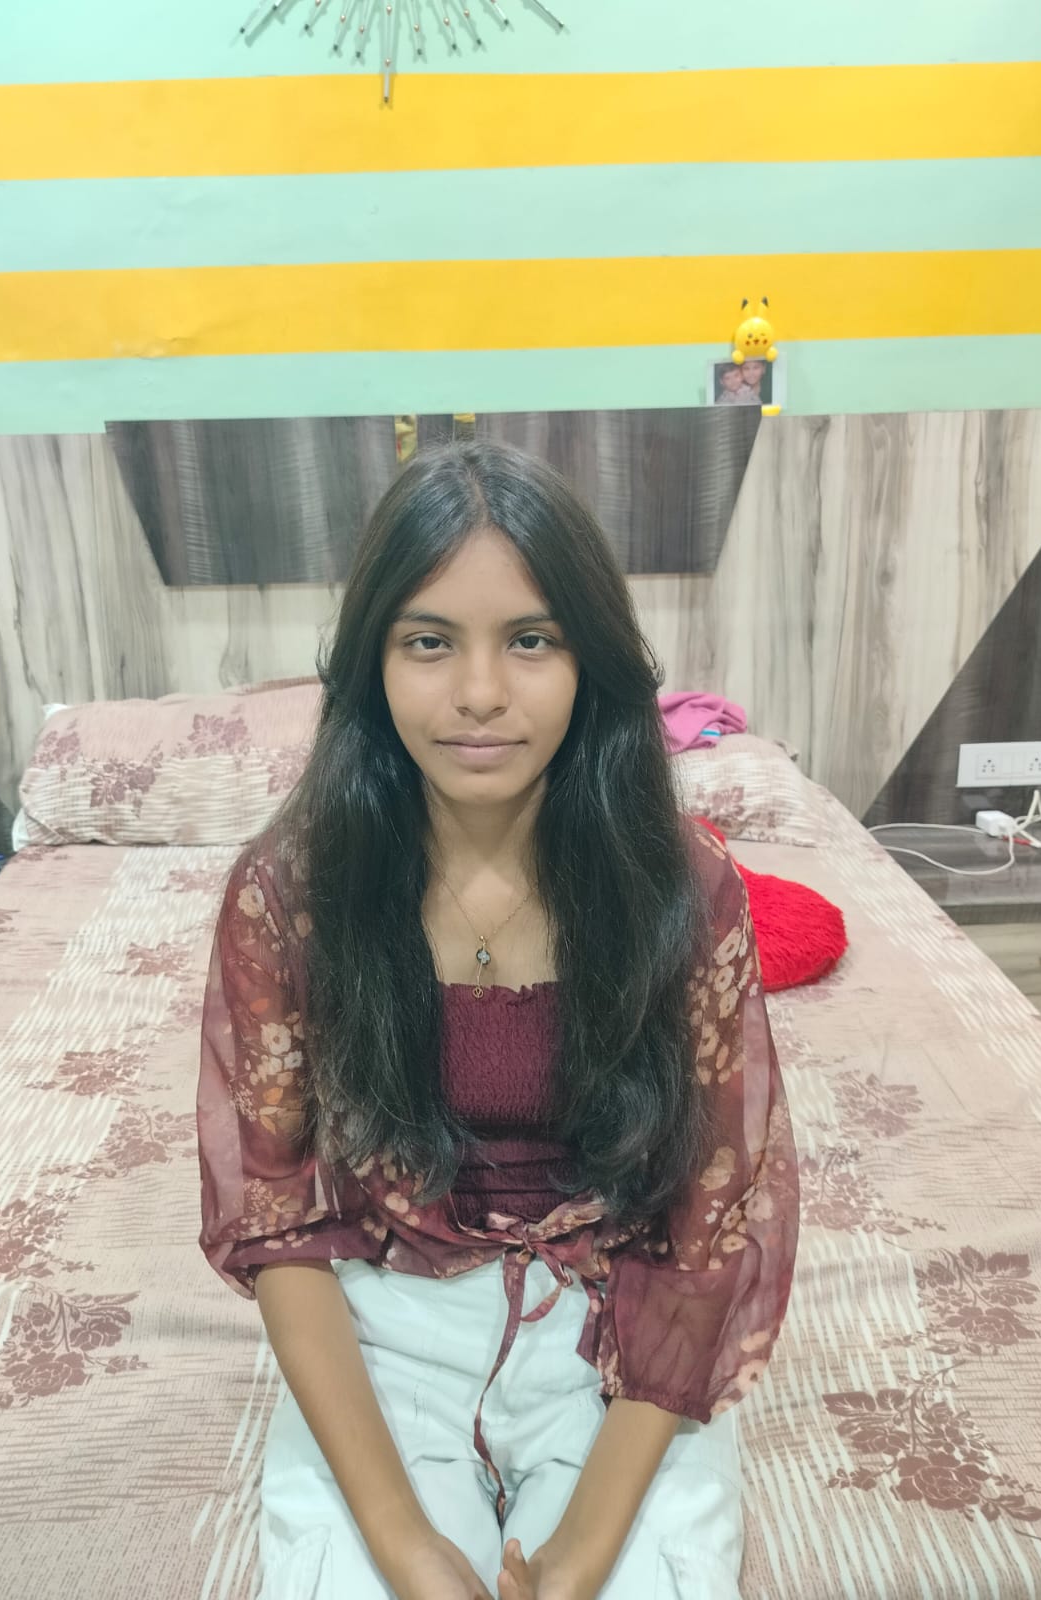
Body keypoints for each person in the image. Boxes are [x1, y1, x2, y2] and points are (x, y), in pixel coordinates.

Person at [196, 441, 799, 1600]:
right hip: (381, 1311)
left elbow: (708, 1224)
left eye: (530, 639)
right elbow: (280, 1223)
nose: (480, 692)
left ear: (591, 661)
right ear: (373, 662)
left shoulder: (685, 890)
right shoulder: (291, 893)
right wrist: (404, 1541)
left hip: (621, 1320)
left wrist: (579, 1556)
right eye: (429, 642)